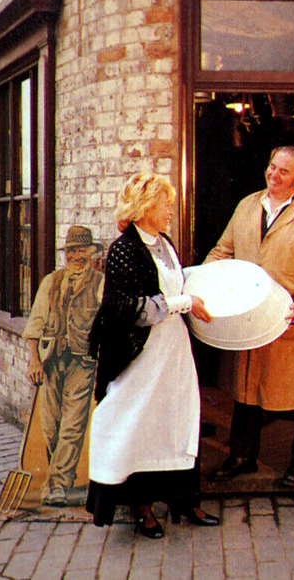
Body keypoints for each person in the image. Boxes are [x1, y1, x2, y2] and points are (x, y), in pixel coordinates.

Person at [85, 172, 219, 538]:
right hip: (142, 354)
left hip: (173, 349)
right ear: (144, 208)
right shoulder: (124, 249)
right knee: (140, 422)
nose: (170, 211)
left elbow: (176, 283)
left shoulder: (165, 242)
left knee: (179, 418)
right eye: (165, 205)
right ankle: (143, 508)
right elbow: (128, 308)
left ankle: (186, 501)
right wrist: (184, 302)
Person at [206, 146, 294, 487]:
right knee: (246, 391)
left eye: (284, 171)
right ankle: (242, 458)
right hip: (250, 318)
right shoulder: (247, 206)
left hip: (289, 318)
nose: (273, 174)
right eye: (272, 166)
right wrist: (205, 282)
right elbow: (223, 251)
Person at [22, 225, 104, 507]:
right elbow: (35, 323)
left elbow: (107, 325)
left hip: (83, 362)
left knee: (72, 425)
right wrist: (34, 359)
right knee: (51, 426)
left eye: (82, 250)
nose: (77, 256)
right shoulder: (51, 281)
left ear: (91, 253)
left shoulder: (100, 283)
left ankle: (57, 485)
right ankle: (60, 477)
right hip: (52, 360)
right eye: (72, 251)